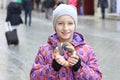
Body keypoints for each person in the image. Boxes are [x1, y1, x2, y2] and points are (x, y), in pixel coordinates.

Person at [30, 4, 102, 80]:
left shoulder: (87, 51)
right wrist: (52, 67)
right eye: (60, 23)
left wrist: (79, 67)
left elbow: (97, 78)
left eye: (70, 23)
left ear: (75, 25)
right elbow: (34, 77)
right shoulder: (44, 50)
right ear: (55, 25)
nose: (65, 28)